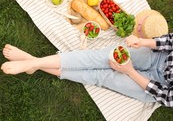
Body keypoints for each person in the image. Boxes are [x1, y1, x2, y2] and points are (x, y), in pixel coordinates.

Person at [1, 33, 173, 108]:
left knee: (103, 76)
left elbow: (165, 96)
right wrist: (143, 43)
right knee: (103, 57)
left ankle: (31, 62)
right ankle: (34, 63)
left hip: (154, 86)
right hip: (160, 56)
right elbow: (170, 40)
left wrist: (130, 71)